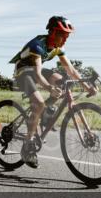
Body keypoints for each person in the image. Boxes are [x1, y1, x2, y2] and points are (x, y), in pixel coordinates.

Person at [9, 16, 95, 168]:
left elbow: (71, 70)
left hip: (38, 70)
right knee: (39, 102)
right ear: (53, 32)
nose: (65, 39)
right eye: (63, 35)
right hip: (23, 72)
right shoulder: (37, 45)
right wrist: (49, 88)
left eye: (67, 36)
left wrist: (87, 86)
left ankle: (44, 112)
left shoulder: (57, 48)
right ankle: (27, 145)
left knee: (61, 81)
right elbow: (37, 74)